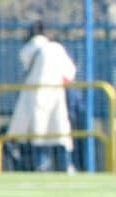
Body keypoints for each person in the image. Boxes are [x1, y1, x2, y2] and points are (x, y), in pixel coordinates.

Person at [5, 22, 76, 173]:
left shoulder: (28, 49)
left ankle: (40, 166)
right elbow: (69, 73)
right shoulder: (57, 49)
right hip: (55, 96)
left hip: (32, 98)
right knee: (59, 134)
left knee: (36, 135)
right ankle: (65, 165)